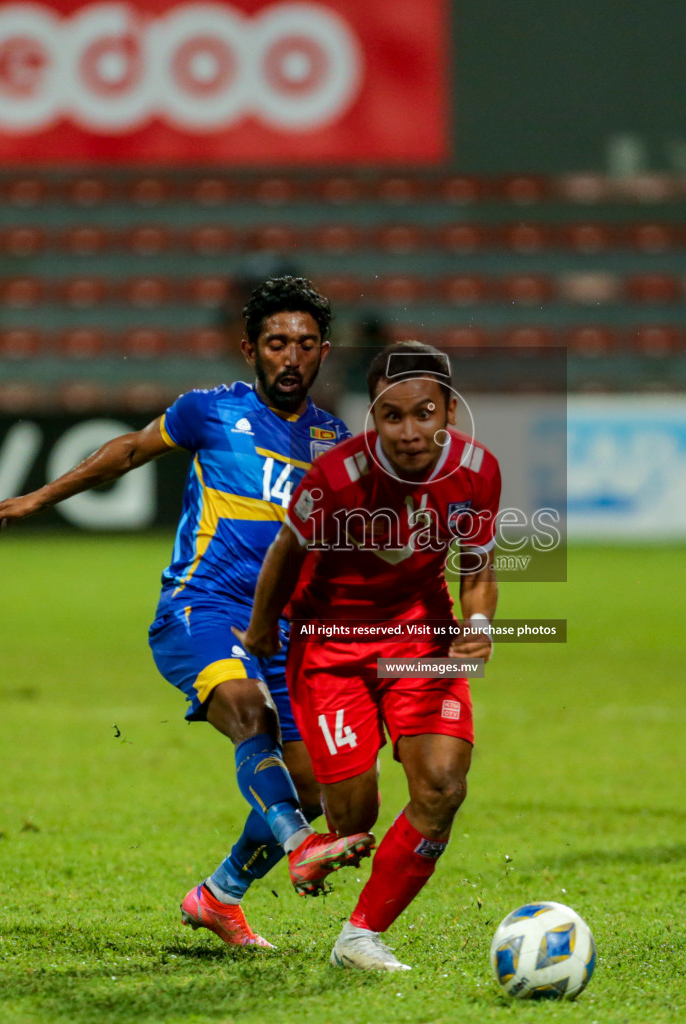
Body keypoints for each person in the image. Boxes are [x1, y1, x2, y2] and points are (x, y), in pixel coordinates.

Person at [0, 277, 373, 948]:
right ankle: (301, 847)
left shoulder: (335, 442)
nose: (291, 357)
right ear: (250, 348)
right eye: (277, 342)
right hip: (203, 607)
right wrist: (38, 500)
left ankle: (219, 897)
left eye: (306, 345)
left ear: (324, 353)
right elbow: (130, 450)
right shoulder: (210, 411)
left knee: (311, 788)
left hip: (284, 633)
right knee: (250, 713)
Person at [237, 340, 501, 971]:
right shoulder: (334, 477)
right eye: (392, 416)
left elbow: (479, 567)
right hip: (330, 646)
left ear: (449, 413)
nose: (410, 432)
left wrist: (481, 621)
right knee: (355, 822)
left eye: (424, 414)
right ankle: (275, 860)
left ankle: (360, 936)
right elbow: (284, 554)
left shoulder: (478, 471)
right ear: (372, 416)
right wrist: (263, 628)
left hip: (422, 636)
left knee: (442, 787)